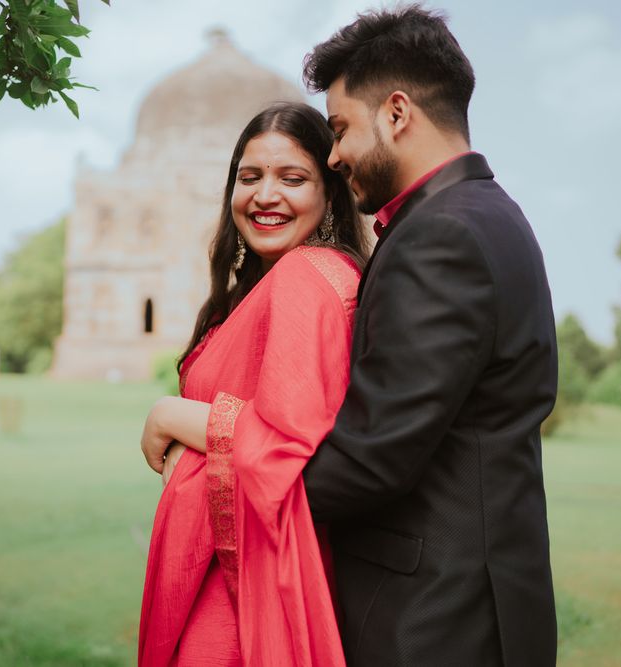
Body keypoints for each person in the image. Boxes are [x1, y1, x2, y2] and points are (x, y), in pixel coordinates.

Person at [299, 5, 558, 666]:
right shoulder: (489, 213)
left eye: (340, 129)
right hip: (479, 603)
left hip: (433, 622)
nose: (333, 156)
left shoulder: (439, 236)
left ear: (396, 112)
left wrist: (234, 471)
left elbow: (373, 457)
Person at [138, 102, 369, 666]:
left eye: (293, 178)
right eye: (250, 177)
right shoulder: (260, 287)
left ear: (329, 193)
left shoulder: (306, 277)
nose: (266, 195)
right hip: (211, 568)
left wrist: (169, 417)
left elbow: (289, 441)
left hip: (246, 590)